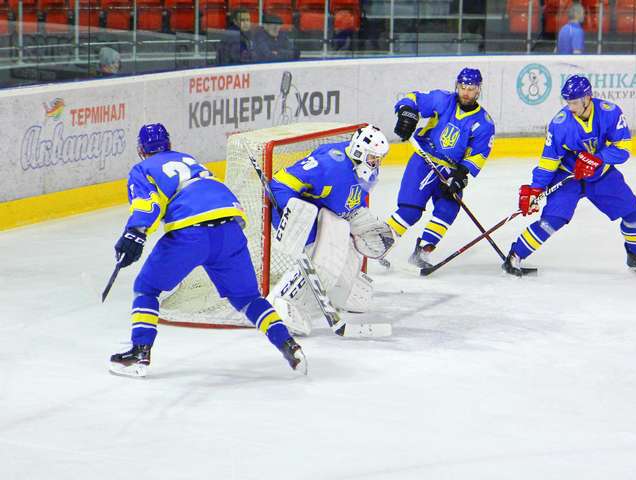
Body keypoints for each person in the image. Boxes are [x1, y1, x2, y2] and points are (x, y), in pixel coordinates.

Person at [109, 123, 307, 377]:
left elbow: (148, 205)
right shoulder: (189, 160)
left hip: (192, 235)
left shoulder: (143, 168)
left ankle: (139, 353)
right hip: (230, 230)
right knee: (249, 299)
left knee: (147, 288)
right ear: (169, 144)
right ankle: (288, 344)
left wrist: (135, 232)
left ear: (140, 150)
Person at [502, 75, 636, 276]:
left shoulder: (610, 113)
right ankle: (514, 256)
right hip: (568, 177)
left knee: (634, 212)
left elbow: (623, 148)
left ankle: (635, 255)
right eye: (568, 102)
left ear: (588, 98)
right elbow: (549, 161)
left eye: (575, 102)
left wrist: (598, 159)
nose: (571, 107)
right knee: (552, 220)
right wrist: (536, 188)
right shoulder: (560, 124)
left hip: (600, 175)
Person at [266, 125, 394, 335]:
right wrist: (292, 212)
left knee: (346, 251)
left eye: (378, 158)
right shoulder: (329, 166)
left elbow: (351, 200)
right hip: (299, 214)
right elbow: (280, 182)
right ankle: (280, 301)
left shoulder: (364, 168)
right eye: (373, 157)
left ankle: (341, 292)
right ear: (360, 152)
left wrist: (362, 224)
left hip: (326, 212)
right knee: (323, 258)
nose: (376, 163)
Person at [387, 67, 495, 269]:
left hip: (450, 171)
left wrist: (461, 175)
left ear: (479, 89)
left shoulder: (484, 123)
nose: (466, 92)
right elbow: (413, 98)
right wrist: (406, 113)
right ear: (457, 86)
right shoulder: (443, 100)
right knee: (410, 210)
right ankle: (380, 244)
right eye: (462, 87)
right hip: (424, 160)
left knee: (448, 208)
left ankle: (422, 252)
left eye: (471, 88)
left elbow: (478, 155)